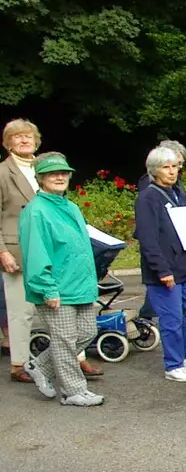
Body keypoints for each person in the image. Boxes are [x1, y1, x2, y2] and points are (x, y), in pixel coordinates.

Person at [18, 153, 103, 406]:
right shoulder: (36, 211)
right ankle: (73, 391)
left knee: (88, 332)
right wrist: (47, 289)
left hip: (80, 285)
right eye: (53, 173)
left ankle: (39, 365)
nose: (60, 177)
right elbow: (35, 253)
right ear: (41, 178)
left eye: (64, 173)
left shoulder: (71, 207)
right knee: (65, 340)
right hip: (57, 288)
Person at [135, 145, 186, 383]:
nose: (172, 172)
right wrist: (162, 269)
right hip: (165, 268)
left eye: (175, 167)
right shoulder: (148, 197)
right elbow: (147, 238)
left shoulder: (180, 193)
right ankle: (173, 364)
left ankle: (183, 354)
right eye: (166, 167)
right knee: (171, 318)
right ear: (154, 171)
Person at [2, 119, 45, 383]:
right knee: (21, 309)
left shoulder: (47, 168)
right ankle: (19, 364)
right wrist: (2, 252)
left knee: (61, 305)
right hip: (16, 248)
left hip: (48, 247)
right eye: (17, 137)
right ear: (8, 143)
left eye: (28, 136)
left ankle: (75, 359)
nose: (24, 140)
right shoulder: (2, 173)